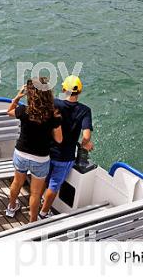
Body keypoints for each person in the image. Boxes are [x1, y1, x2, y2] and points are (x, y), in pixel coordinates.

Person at [6, 77, 63, 222]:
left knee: (16, 183)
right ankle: (32, 221)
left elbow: (9, 111)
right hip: (40, 158)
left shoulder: (24, 111)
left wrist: (18, 96)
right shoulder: (53, 115)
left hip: (21, 154)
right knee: (36, 193)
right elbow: (59, 139)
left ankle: (11, 207)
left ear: (30, 94)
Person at [39, 75, 94, 219]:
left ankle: (36, 202)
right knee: (54, 185)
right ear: (80, 92)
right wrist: (85, 144)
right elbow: (86, 136)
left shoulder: (54, 104)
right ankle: (43, 213)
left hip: (47, 152)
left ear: (64, 89)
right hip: (65, 157)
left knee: (43, 179)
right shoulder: (85, 110)